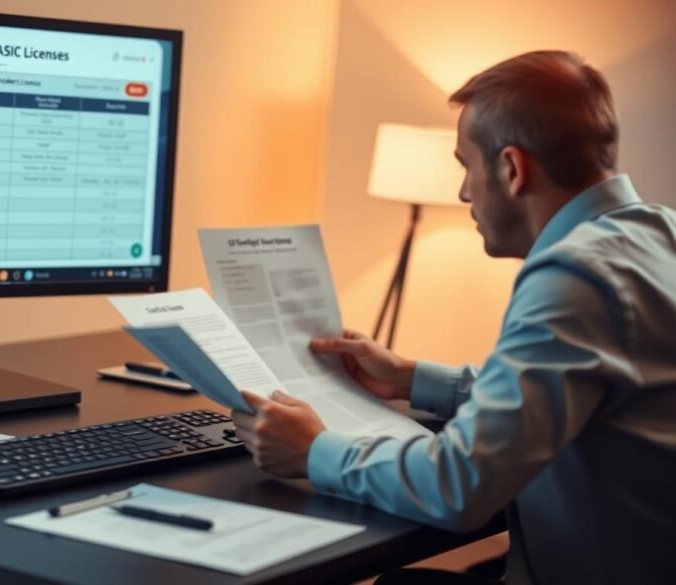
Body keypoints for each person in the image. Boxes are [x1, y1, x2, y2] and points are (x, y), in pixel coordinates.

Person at [231, 50, 676, 585]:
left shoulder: (574, 276)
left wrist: (314, 450)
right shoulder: (659, 235)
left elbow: (460, 487)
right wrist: (413, 379)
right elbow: (573, 399)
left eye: (466, 166)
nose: (464, 192)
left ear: (512, 169)